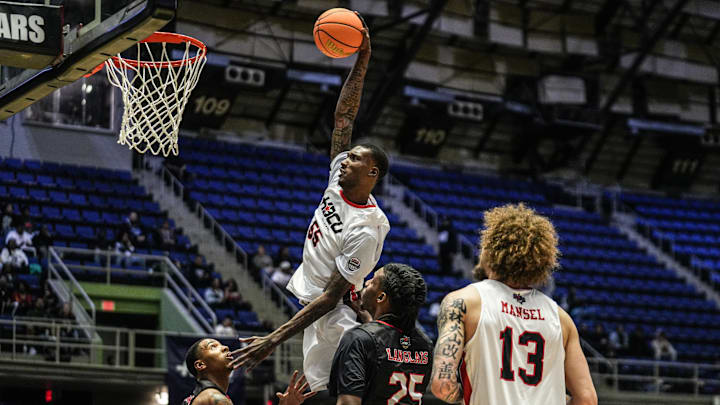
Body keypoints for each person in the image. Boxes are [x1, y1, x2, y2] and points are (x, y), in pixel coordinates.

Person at [231, 22, 392, 397]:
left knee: (347, 397)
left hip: (337, 317)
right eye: (347, 155)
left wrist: (273, 339)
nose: (344, 159)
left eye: (354, 158)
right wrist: (363, 59)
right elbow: (344, 119)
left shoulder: (367, 228)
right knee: (317, 396)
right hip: (317, 313)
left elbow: (332, 297)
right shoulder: (339, 179)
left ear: (372, 172)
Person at [429, 203, 597, 405]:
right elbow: (587, 399)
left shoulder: (463, 302)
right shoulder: (562, 319)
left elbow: (442, 385)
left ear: (490, 251)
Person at [276, 263, 433, 405]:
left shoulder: (358, 339)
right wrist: (367, 317)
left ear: (381, 297)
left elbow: (349, 402)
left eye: (373, 281)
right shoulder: (425, 344)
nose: (366, 282)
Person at [183, 338, 315, 405]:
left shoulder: (202, 397)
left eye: (221, 344)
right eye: (213, 347)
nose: (225, 347)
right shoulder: (213, 398)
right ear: (200, 365)